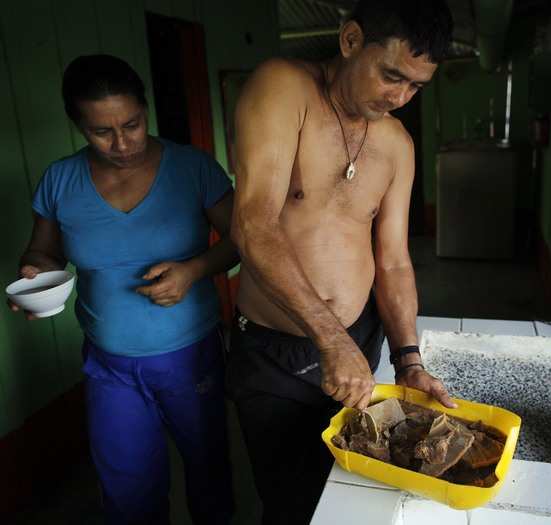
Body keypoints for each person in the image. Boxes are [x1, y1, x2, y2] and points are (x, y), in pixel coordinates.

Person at [227, 1, 454, 523]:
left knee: (355, 487)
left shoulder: (397, 144)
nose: (399, 97)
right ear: (351, 40)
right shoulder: (284, 89)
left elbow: (393, 262)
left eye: (416, 86)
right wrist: (331, 340)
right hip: (276, 354)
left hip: (360, 340)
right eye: (391, 75)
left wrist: (409, 361)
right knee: (288, 498)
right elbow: (253, 225)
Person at [8, 54, 238, 525]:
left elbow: (245, 243)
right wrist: (34, 276)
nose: (122, 143)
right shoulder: (60, 180)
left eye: (132, 124)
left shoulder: (193, 168)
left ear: (145, 110)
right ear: (77, 124)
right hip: (109, 367)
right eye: (101, 132)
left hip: (190, 356)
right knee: (128, 489)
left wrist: (194, 271)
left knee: (208, 472)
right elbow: (43, 254)